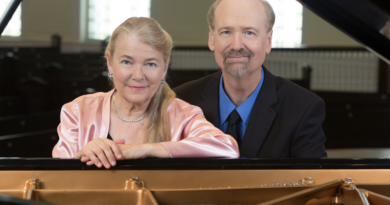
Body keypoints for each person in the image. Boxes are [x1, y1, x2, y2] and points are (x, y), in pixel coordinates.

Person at [52, 17, 239, 168]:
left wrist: (146, 149)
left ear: (164, 69)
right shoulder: (78, 110)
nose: (138, 75)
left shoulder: (183, 113)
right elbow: (57, 180)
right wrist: (81, 157)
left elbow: (228, 149)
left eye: (150, 64)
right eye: (127, 62)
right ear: (110, 64)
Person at [174, 0, 327, 158]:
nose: (236, 45)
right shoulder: (181, 101)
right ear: (211, 39)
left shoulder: (303, 108)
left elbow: (313, 181)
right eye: (226, 32)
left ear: (268, 41)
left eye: (249, 32)